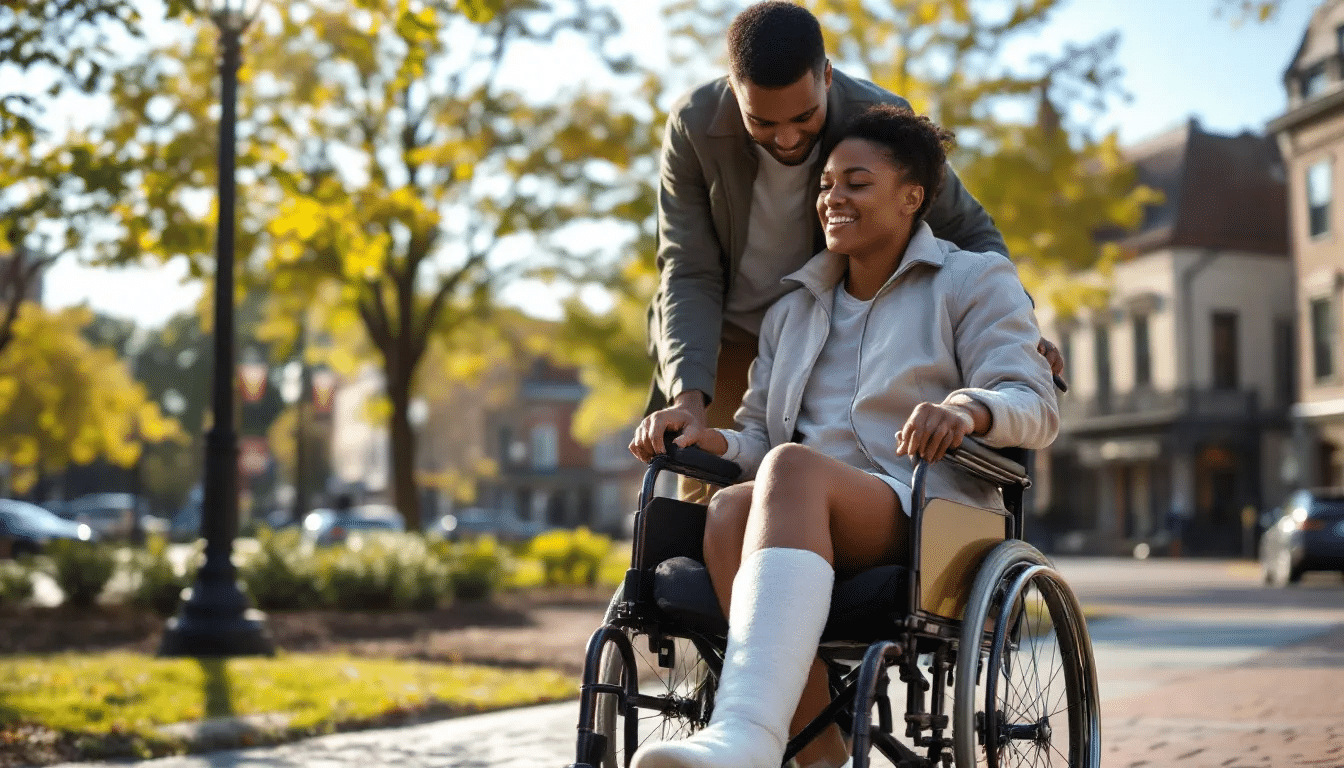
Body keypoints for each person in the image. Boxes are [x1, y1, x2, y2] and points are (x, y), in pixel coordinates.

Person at [628, 104, 1059, 768]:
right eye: (826, 184)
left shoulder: (973, 280)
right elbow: (759, 438)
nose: (833, 197)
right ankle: (819, 753)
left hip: (927, 507)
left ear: (912, 196)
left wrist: (968, 409)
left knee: (791, 468)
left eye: (857, 183)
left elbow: (1033, 401)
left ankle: (746, 733)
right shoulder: (791, 311)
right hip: (800, 504)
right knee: (731, 506)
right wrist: (717, 443)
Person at [647, 1, 1064, 481]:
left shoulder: (877, 120)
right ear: (732, 88)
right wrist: (688, 401)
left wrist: (1015, 325)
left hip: (829, 326)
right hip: (730, 334)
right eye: (762, 123)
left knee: (808, 476)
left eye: (804, 117)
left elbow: (969, 230)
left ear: (826, 76)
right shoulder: (694, 126)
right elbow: (689, 269)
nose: (787, 139)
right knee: (710, 489)